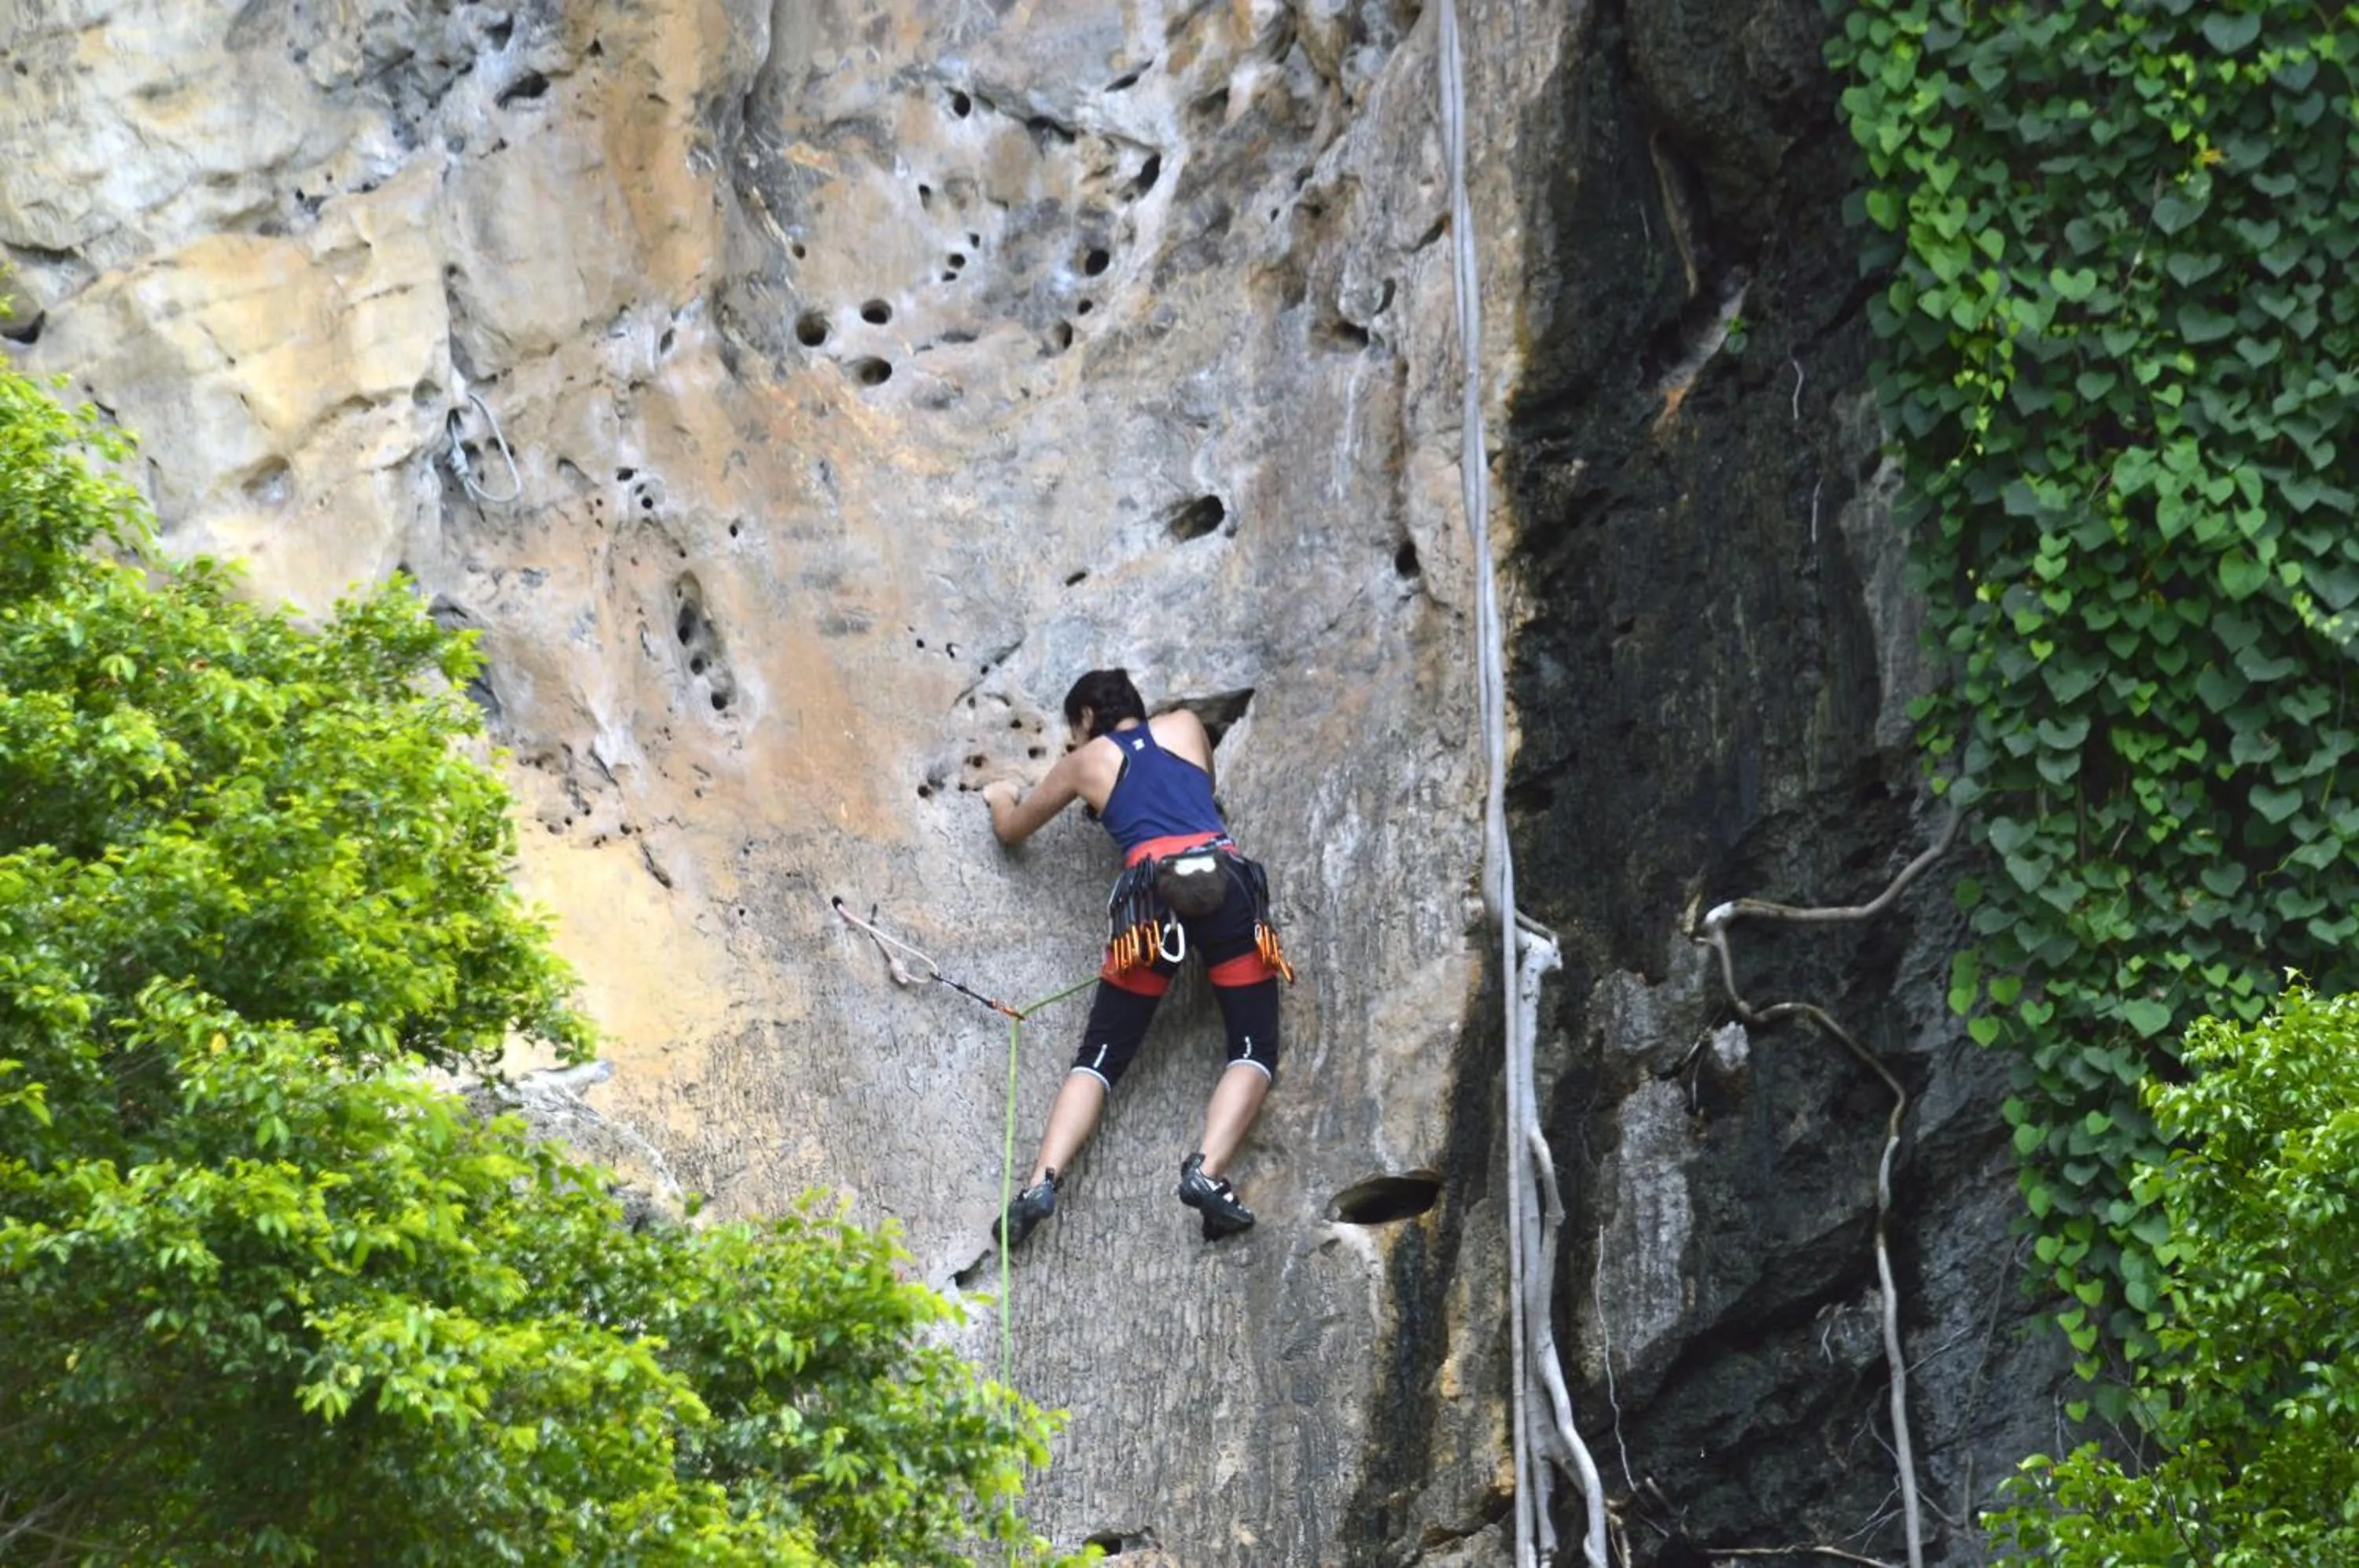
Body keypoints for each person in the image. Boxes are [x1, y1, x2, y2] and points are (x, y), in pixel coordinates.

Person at [982, 668, 1289, 1245]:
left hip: (1151, 904)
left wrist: (1001, 797)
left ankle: (1039, 1184)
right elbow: (1198, 795)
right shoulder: (1187, 725)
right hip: (1224, 880)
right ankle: (1207, 1172)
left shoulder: (1086, 761)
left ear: (1085, 718)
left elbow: (1014, 830)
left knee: (1098, 1058)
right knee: (1253, 1049)